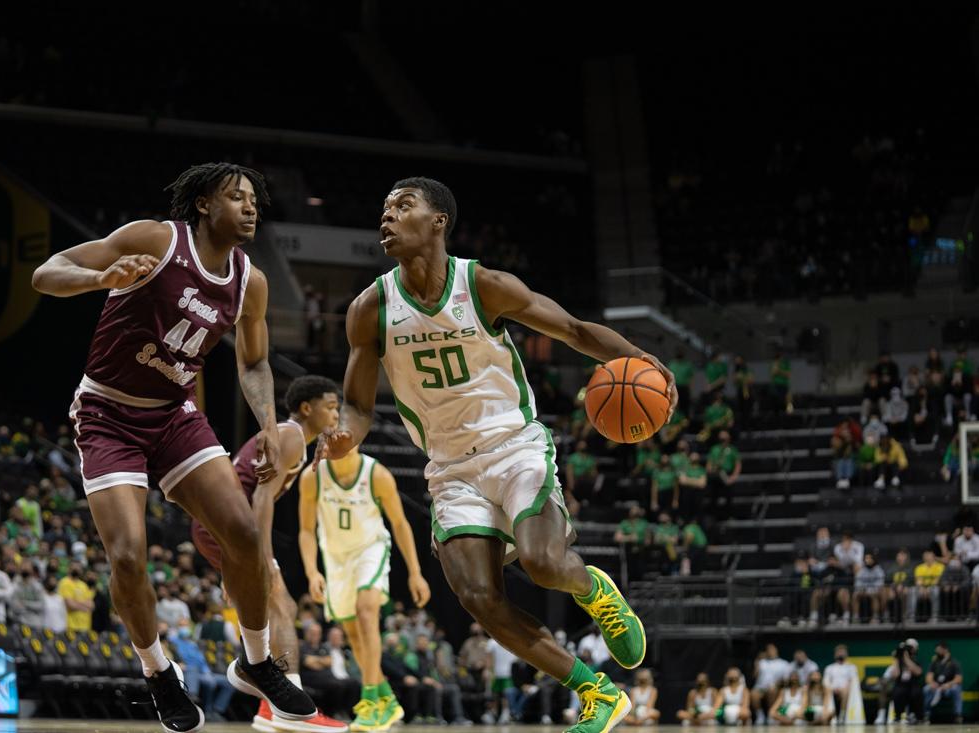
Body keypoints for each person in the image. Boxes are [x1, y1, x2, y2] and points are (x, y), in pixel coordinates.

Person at [318, 177, 676, 733]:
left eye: (403, 206)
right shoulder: (370, 308)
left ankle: (593, 589)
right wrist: (346, 433)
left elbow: (577, 331)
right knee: (481, 600)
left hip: (515, 448)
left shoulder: (482, 285)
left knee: (544, 564)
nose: (387, 217)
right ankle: (598, 693)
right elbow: (359, 405)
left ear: (438, 221)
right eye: (384, 208)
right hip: (450, 468)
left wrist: (644, 361)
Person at [32, 162, 317, 730]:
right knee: (129, 555)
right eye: (238, 197)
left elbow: (255, 360)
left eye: (256, 198)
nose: (252, 206)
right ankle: (158, 671)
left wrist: (265, 421)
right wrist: (98, 279)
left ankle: (256, 661)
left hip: (174, 415)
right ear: (206, 205)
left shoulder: (249, 281)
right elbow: (47, 272)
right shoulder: (156, 240)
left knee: (242, 532)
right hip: (108, 413)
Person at [191, 376, 347, 733]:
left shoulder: (295, 438)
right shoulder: (290, 436)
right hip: (227, 523)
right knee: (279, 602)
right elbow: (261, 497)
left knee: (277, 605)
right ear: (307, 408)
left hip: (222, 523)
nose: (337, 413)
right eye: (331, 406)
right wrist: (264, 558)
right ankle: (292, 707)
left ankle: (267, 697)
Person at [298, 442, 431, 732]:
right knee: (354, 635)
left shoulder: (377, 474)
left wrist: (415, 572)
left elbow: (399, 523)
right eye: (327, 435)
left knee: (367, 611)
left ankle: (369, 700)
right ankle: (389, 701)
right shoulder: (313, 476)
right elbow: (306, 530)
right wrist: (311, 571)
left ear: (356, 438)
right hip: (336, 558)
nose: (332, 441)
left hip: (370, 550)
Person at [300, 622, 360, 719]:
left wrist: (315, 660)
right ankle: (331, 714)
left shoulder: (323, 647)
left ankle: (350, 714)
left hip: (328, 678)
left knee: (354, 683)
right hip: (312, 680)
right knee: (336, 686)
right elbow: (308, 662)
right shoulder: (302, 647)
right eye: (312, 633)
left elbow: (329, 662)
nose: (315, 635)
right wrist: (322, 661)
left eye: (317, 633)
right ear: (307, 633)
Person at [924, 642, 964, 724]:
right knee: (926, 689)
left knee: (956, 689)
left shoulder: (954, 662)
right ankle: (926, 715)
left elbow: (959, 678)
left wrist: (948, 684)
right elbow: (929, 676)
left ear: (945, 650)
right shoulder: (934, 663)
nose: (937, 652)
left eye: (938, 650)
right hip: (936, 688)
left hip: (948, 688)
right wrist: (932, 683)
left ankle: (958, 715)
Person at [750, 644, 790, 725]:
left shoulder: (783, 663)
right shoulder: (761, 662)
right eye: (768, 650)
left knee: (771, 691)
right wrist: (757, 661)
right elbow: (754, 676)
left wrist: (777, 684)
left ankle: (770, 714)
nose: (770, 651)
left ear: (776, 650)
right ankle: (760, 715)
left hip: (775, 687)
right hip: (760, 687)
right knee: (753, 694)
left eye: (772, 649)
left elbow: (785, 680)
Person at [705, 431, 741, 518]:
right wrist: (712, 469)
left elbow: (738, 464)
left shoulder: (732, 449)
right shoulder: (714, 449)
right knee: (713, 496)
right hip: (716, 474)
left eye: (724, 439)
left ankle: (728, 515)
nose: (723, 441)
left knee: (729, 496)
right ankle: (714, 516)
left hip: (727, 474)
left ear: (729, 439)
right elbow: (708, 465)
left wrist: (734, 476)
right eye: (721, 439)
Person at [890, 639, 924, 724]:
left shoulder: (916, 659)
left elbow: (918, 672)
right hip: (901, 684)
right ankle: (898, 716)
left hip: (913, 684)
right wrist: (896, 659)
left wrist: (906, 658)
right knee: (897, 691)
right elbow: (895, 675)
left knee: (915, 692)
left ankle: (915, 715)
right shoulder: (899, 660)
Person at [821, 645, 858, 723]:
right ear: (835, 654)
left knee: (846, 691)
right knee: (827, 690)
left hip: (846, 690)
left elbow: (852, 681)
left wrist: (843, 689)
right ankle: (827, 716)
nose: (840, 654)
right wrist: (832, 688)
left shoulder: (851, 667)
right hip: (832, 690)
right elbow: (825, 681)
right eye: (839, 652)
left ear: (846, 654)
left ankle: (842, 716)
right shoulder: (829, 668)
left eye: (842, 652)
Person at [851, 553, 885, 623]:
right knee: (855, 595)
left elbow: (880, 583)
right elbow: (858, 582)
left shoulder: (878, 570)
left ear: (873, 560)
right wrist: (863, 590)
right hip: (863, 591)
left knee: (874, 595)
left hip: (874, 591)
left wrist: (870, 591)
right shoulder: (862, 570)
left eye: (869, 558)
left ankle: (875, 617)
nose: (867, 560)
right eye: (866, 558)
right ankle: (856, 617)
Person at [914, 549, 944, 621]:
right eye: (925, 555)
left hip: (935, 587)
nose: (927, 557)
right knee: (913, 591)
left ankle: (935, 615)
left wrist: (928, 588)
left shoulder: (940, 566)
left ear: (933, 556)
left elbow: (937, 580)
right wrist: (922, 588)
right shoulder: (919, 567)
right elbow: (918, 581)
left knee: (935, 591)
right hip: (922, 587)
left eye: (929, 555)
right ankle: (912, 615)